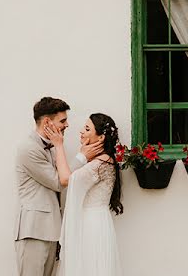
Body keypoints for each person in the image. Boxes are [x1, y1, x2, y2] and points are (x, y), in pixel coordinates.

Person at [15, 97, 102, 276]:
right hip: (34, 231)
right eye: (62, 120)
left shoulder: (54, 147)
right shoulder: (28, 148)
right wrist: (82, 157)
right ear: (47, 122)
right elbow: (58, 181)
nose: (67, 125)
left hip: (52, 230)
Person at [45, 112, 124, 276]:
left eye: (87, 129)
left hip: (91, 225)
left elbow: (66, 179)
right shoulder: (104, 160)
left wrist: (59, 146)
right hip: (95, 221)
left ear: (100, 138)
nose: (81, 131)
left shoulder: (100, 164)